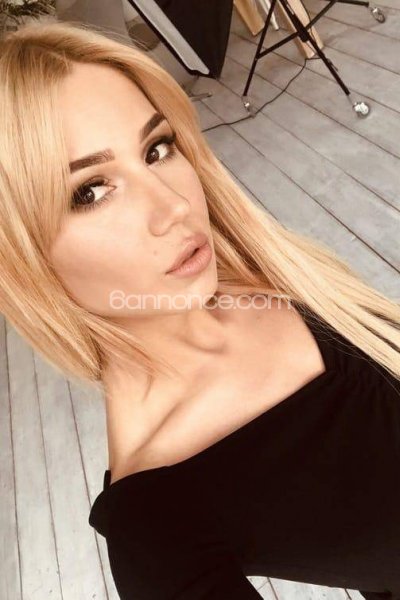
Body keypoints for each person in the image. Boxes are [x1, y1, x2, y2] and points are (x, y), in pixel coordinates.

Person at [0, 19, 399, 600]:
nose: (174, 207)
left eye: (156, 149)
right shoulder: (158, 527)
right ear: (21, 257)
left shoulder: (274, 273)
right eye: (90, 191)